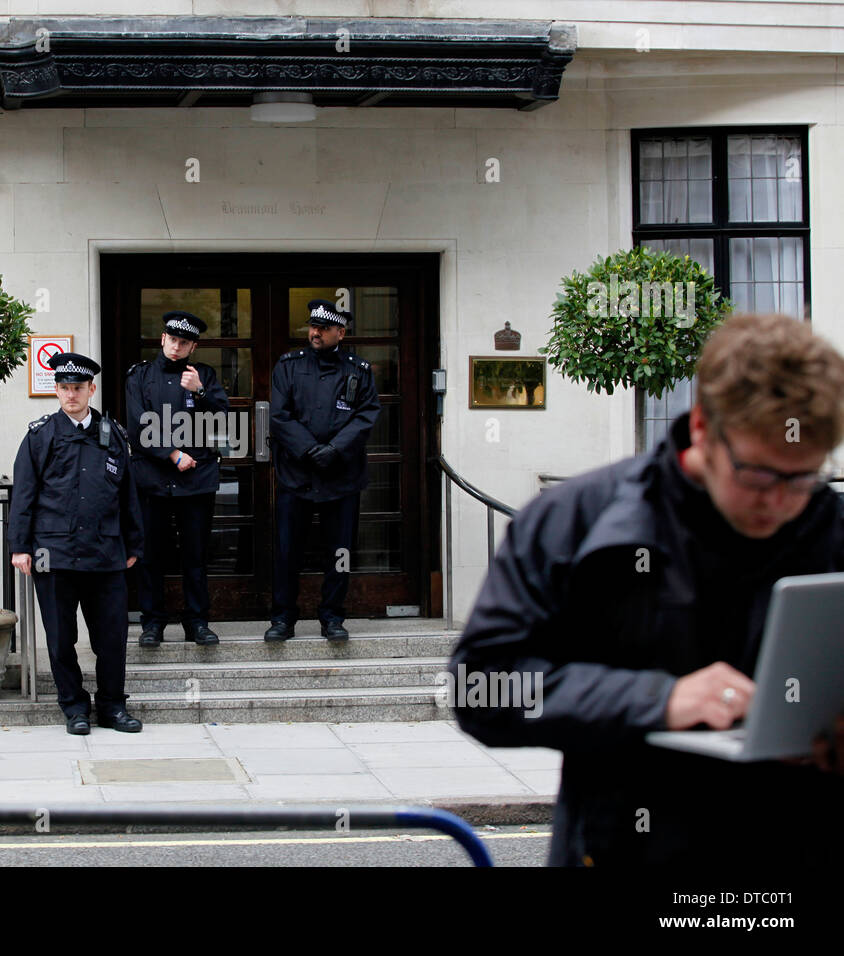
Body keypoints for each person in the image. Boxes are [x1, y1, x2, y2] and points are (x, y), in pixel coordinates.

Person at [451, 312, 844, 867]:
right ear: (704, 426)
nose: (779, 502)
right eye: (758, 476)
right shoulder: (573, 520)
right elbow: (481, 687)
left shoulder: (831, 525)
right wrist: (659, 700)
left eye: (802, 479)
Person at [9, 351, 145, 734]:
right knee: (60, 639)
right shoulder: (40, 436)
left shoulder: (113, 435)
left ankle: (113, 707)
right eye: (65, 388)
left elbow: (128, 495)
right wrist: (20, 547)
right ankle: (74, 707)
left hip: (106, 554)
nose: (71, 395)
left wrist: (134, 546)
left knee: (111, 638)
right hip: (55, 556)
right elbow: (24, 495)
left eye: (78, 388)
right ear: (57, 390)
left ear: (91, 389)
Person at [266, 299, 380, 642]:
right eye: (313, 327)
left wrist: (334, 450)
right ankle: (283, 618)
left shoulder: (358, 369)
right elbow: (279, 414)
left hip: (341, 476)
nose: (315, 333)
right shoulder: (288, 365)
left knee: (340, 552)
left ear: (340, 333)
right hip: (297, 475)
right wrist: (308, 449)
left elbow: (367, 415)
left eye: (324, 328)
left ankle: (333, 616)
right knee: (288, 551)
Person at [126, 311, 230, 648]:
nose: (176, 346)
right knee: (151, 554)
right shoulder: (140, 375)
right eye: (172, 339)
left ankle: (197, 621)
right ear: (162, 339)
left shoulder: (206, 376)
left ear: (193, 346)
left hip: (196, 481)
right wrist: (172, 453)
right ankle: (152, 622)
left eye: (184, 342)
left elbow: (220, 424)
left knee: (195, 556)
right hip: (153, 478)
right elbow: (138, 424)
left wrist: (200, 393)